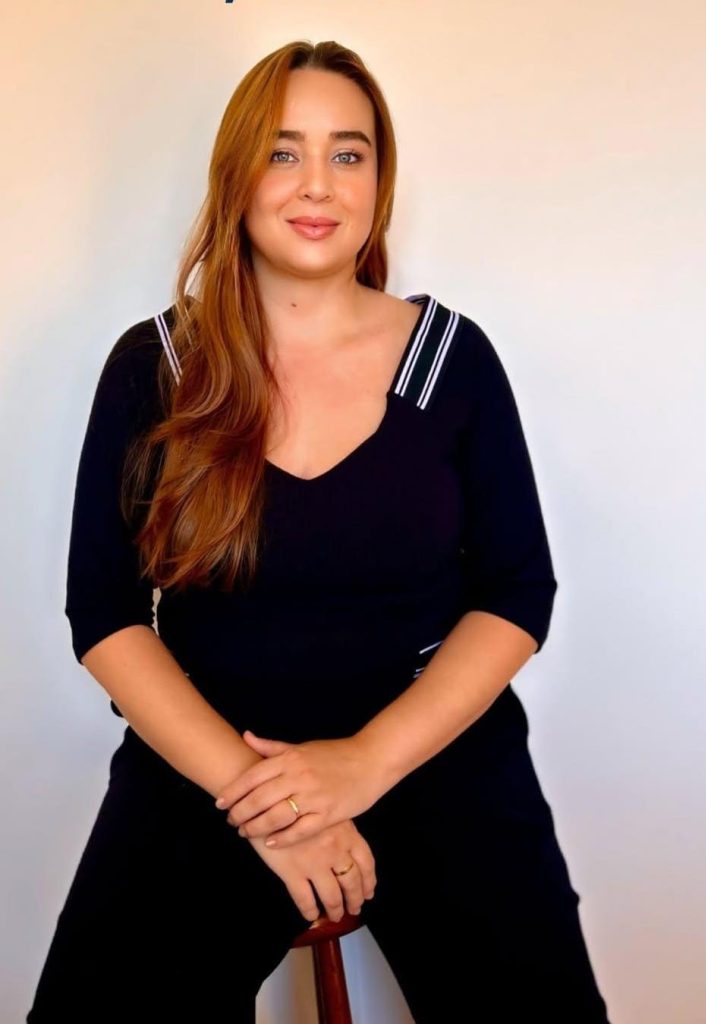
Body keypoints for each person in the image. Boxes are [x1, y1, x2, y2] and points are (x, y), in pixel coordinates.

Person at [27, 39, 611, 1024]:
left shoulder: (452, 361)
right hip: (212, 761)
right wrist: (265, 800)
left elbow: (516, 593)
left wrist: (363, 764)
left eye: (348, 153)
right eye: (282, 151)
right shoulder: (156, 366)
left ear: (380, 182)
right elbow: (106, 614)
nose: (317, 183)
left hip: (428, 750)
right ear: (237, 174)